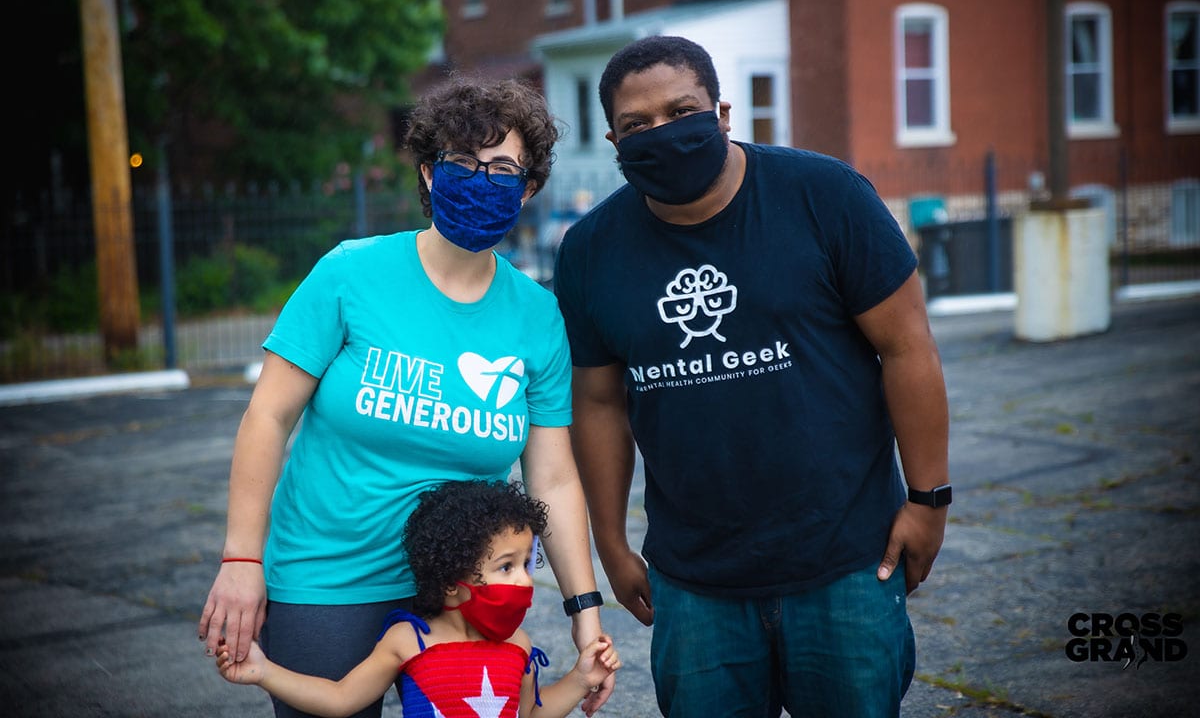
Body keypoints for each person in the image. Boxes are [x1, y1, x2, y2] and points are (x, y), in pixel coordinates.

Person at [553, 35, 950, 717]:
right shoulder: (591, 250)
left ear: (723, 113)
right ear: (615, 142)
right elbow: (597, 401)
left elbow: (908, 347)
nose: (662, 135)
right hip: (695, 579)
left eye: (681, 112)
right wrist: (612, 542)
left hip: (845, 559)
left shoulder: (826, 198)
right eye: (636, 126)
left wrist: (928, 499)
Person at [199, 76, 614, 718]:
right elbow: (268, 416)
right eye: (460, 163)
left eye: (503, 167)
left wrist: (585, 611)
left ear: (529, 187)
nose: (482, 179)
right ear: (427, 173)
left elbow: (554, 477)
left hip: (463, 598)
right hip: (326, 580)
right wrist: (240, 559)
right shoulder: (349, 274)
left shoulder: (537, 316)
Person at [213, 479, 621, 718]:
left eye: (527, 566)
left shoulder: (518, 647)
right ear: (450, 580)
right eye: (506, 567)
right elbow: (340, 699)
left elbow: (530, 713)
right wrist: (263, 672)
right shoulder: (410, 641)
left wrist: (580, 678)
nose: (525, 582)